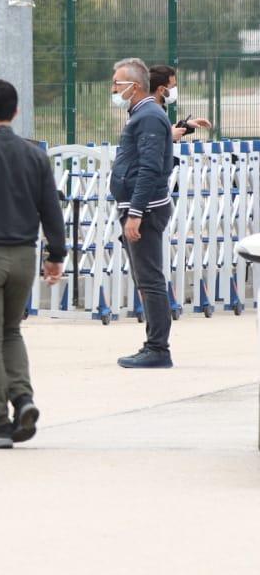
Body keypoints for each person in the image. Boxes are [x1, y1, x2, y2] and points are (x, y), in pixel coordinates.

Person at [0, 78, 65, 448]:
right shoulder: (34, 155)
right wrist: (56, 255)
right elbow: (50, 209)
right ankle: (23, 398)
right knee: (12, 331)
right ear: (17, 110)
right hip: (24, 254)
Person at [109, 57, 176, 369]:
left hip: (146, 211)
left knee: (149, 280)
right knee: (145, 278)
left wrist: (135, 212)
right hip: (140, 208)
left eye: (117, 83)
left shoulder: (148, 116)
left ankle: (158, 348)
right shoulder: (142, 113)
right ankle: (154, 345)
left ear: (133, 87)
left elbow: (149, 168)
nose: (113, 88)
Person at [149, 64, 212, 142]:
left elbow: (161, 133)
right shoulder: (148, 113)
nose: (174, 89)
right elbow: (144, 143)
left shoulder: (158, 109)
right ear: (161, 89)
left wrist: (186, 125)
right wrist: (169, 137)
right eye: (172, 86)